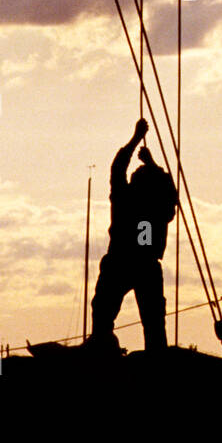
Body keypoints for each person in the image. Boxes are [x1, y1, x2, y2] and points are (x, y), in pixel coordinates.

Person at [85, 118, 178, 355]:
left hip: (121, 261)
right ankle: (153, 356)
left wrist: (136, 137)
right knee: (153, 319)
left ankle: (101, 346)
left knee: (105, 310)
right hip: (142, 264)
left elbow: (118, 167)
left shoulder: (125, 198)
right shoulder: (158, 210)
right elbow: (169, 193)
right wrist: (153, 163)